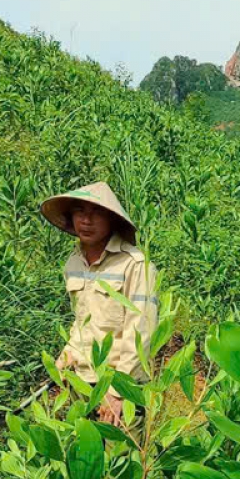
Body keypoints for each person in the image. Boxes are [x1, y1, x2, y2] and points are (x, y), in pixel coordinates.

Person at [40, 181, 158, 426]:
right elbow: (81, 321)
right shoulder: (73, 263)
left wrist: (118, 391)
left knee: (121, 449)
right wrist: (67, 355)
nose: (86, 220)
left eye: (96, 212)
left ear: (112, 219)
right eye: (79, 211)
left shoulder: (134, 264)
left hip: (119, 382)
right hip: (82, 380)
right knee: (84, 448)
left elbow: (141, 330)